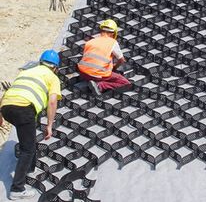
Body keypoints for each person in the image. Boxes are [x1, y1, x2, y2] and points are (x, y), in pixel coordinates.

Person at [0, 49, 62, 200]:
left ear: (41, 62)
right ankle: (17, 189)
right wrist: (49, 125)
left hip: (7, 107)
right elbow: (52, 102)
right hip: (24, 109)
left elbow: (10, 93)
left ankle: (30, 166)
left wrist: (0, 115)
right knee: (27, 149)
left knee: (27, 137)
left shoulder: (26, 72)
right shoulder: (52, 77)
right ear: (55, 67)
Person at [77, 19, 131, 95]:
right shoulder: (112, 42)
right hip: (97, 74)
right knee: (126, 84)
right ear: (113, 33)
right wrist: (115, 67)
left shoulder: (90, 41)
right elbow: (122, 60)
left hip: (83, 73)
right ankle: (100, 86)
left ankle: (92, 82)